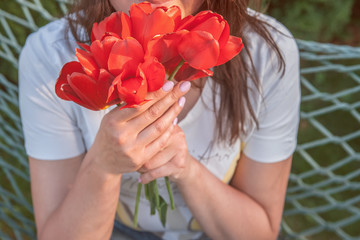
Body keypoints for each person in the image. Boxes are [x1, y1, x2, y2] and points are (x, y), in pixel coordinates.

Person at [18, 0, 300, 239]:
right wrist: (104, 164)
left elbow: (259, 232)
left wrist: (185, 169)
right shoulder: (49, 55)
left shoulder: (267, 54)